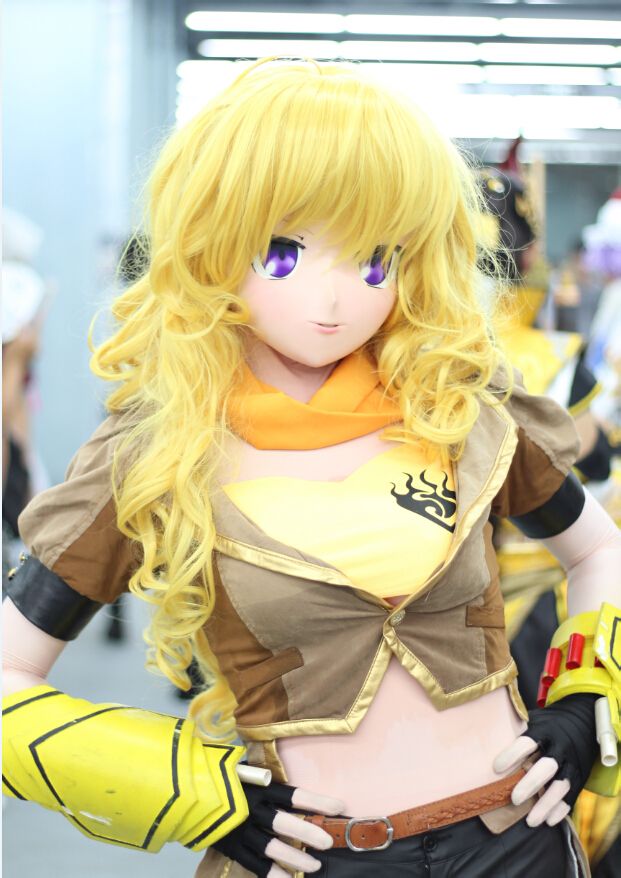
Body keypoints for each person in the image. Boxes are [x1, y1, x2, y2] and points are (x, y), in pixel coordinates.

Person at [3, 59, 620, 878]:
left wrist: (583, 697)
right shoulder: (158, 446)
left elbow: (596, 548)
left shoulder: (457, 404)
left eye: (374, 259)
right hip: (314, 857)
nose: (334, 301)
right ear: (212, 240)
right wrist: (194, 792)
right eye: (284, 253)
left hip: (517, 839)